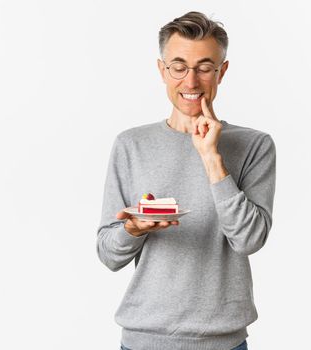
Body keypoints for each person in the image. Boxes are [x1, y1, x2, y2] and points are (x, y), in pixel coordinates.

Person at [96, 11, 276, 350]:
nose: (190, 82)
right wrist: (132, 230)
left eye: (204, 68)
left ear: (221, 72)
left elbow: (250, 240)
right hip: (143, 340)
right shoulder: (130, 145)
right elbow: (108, 253)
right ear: (162, 70)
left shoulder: (255, 146)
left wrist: (211, 158)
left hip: (224, 342)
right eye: (179, 67)